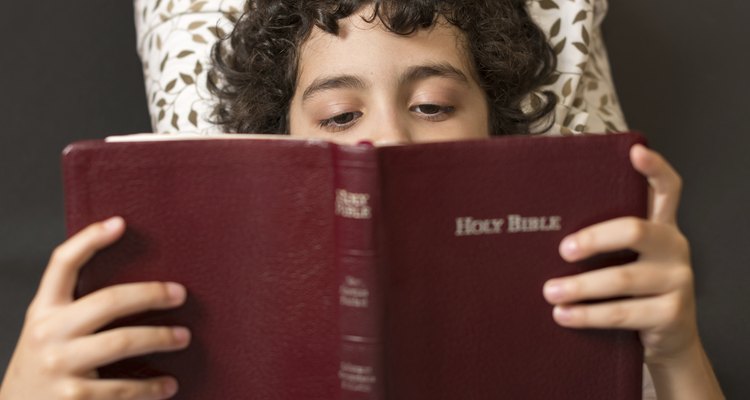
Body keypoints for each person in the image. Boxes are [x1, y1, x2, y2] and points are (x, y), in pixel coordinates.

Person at [0, 1, 725, 399]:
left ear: (497, 132)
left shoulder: (584, 299)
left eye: (435, 105)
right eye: (341, 116)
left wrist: (678, 353)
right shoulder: (201, 319)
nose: (389, 141)